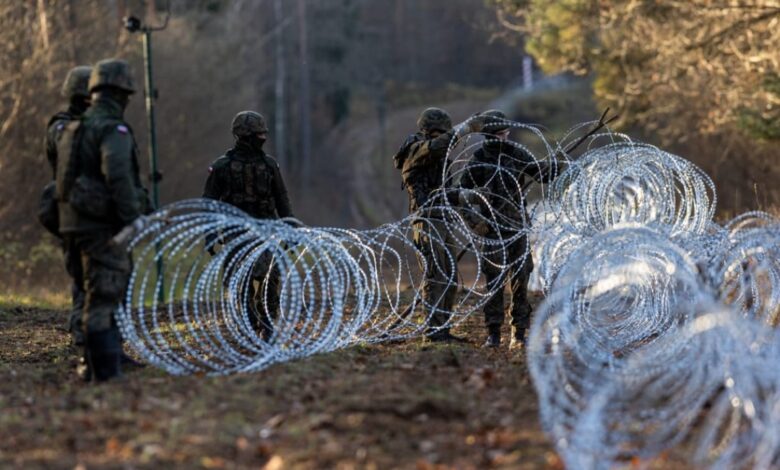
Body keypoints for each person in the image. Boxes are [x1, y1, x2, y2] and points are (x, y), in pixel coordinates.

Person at [56, 58, 149, 381]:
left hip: (72, 225)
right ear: (121, 92)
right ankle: (106, 375)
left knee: (88, 295)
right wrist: (132, 218)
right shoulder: (113, 129)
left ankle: (92, 368)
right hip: (101, 228)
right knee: (104, 298)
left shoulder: (72, 128)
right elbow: (118, 176)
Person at [459, 109, 555, 349]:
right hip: (492, 229)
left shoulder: (517, 153)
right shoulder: (479, 158)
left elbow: (542, 175)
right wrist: (475, 222)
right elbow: (460, 195)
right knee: (494, 282)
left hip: (517, 227)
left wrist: (555, 165)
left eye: (506, 133)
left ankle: (519, 333)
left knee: (521, 279)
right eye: (499, 134)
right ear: (489, 135)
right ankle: (493, 333)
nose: (504, 137)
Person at [202, 111, 294, 341]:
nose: (262, 138)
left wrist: (290, 228)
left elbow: (282, 199)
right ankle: (249, 322)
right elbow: (209, 203)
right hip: (237, 234)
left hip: (267, 231)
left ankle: (268, 323)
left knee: (270, 280)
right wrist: (210, 234)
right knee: (240, 283)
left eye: (263, 134)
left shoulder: (269, 165)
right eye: (257, 134)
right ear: (243, 136)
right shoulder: (222, 166)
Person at [394, 107, 480, 343]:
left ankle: (442, 329)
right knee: (436, 276)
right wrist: (465, 129)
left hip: (442, 220)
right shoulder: (416, 149)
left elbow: (446, 193)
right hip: (425, 220)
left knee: (450, 278)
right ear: (431, 131)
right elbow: (435, 147)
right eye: (441, 133)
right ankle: (433, 332)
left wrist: (469, 201)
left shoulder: (440, 159)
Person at [42, 65, 92, 346]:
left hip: (91, 209)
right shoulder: (62, 125)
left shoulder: (96, 123)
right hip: (72, 208)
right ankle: (81, 333)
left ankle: (88, 333)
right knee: (82, 275)